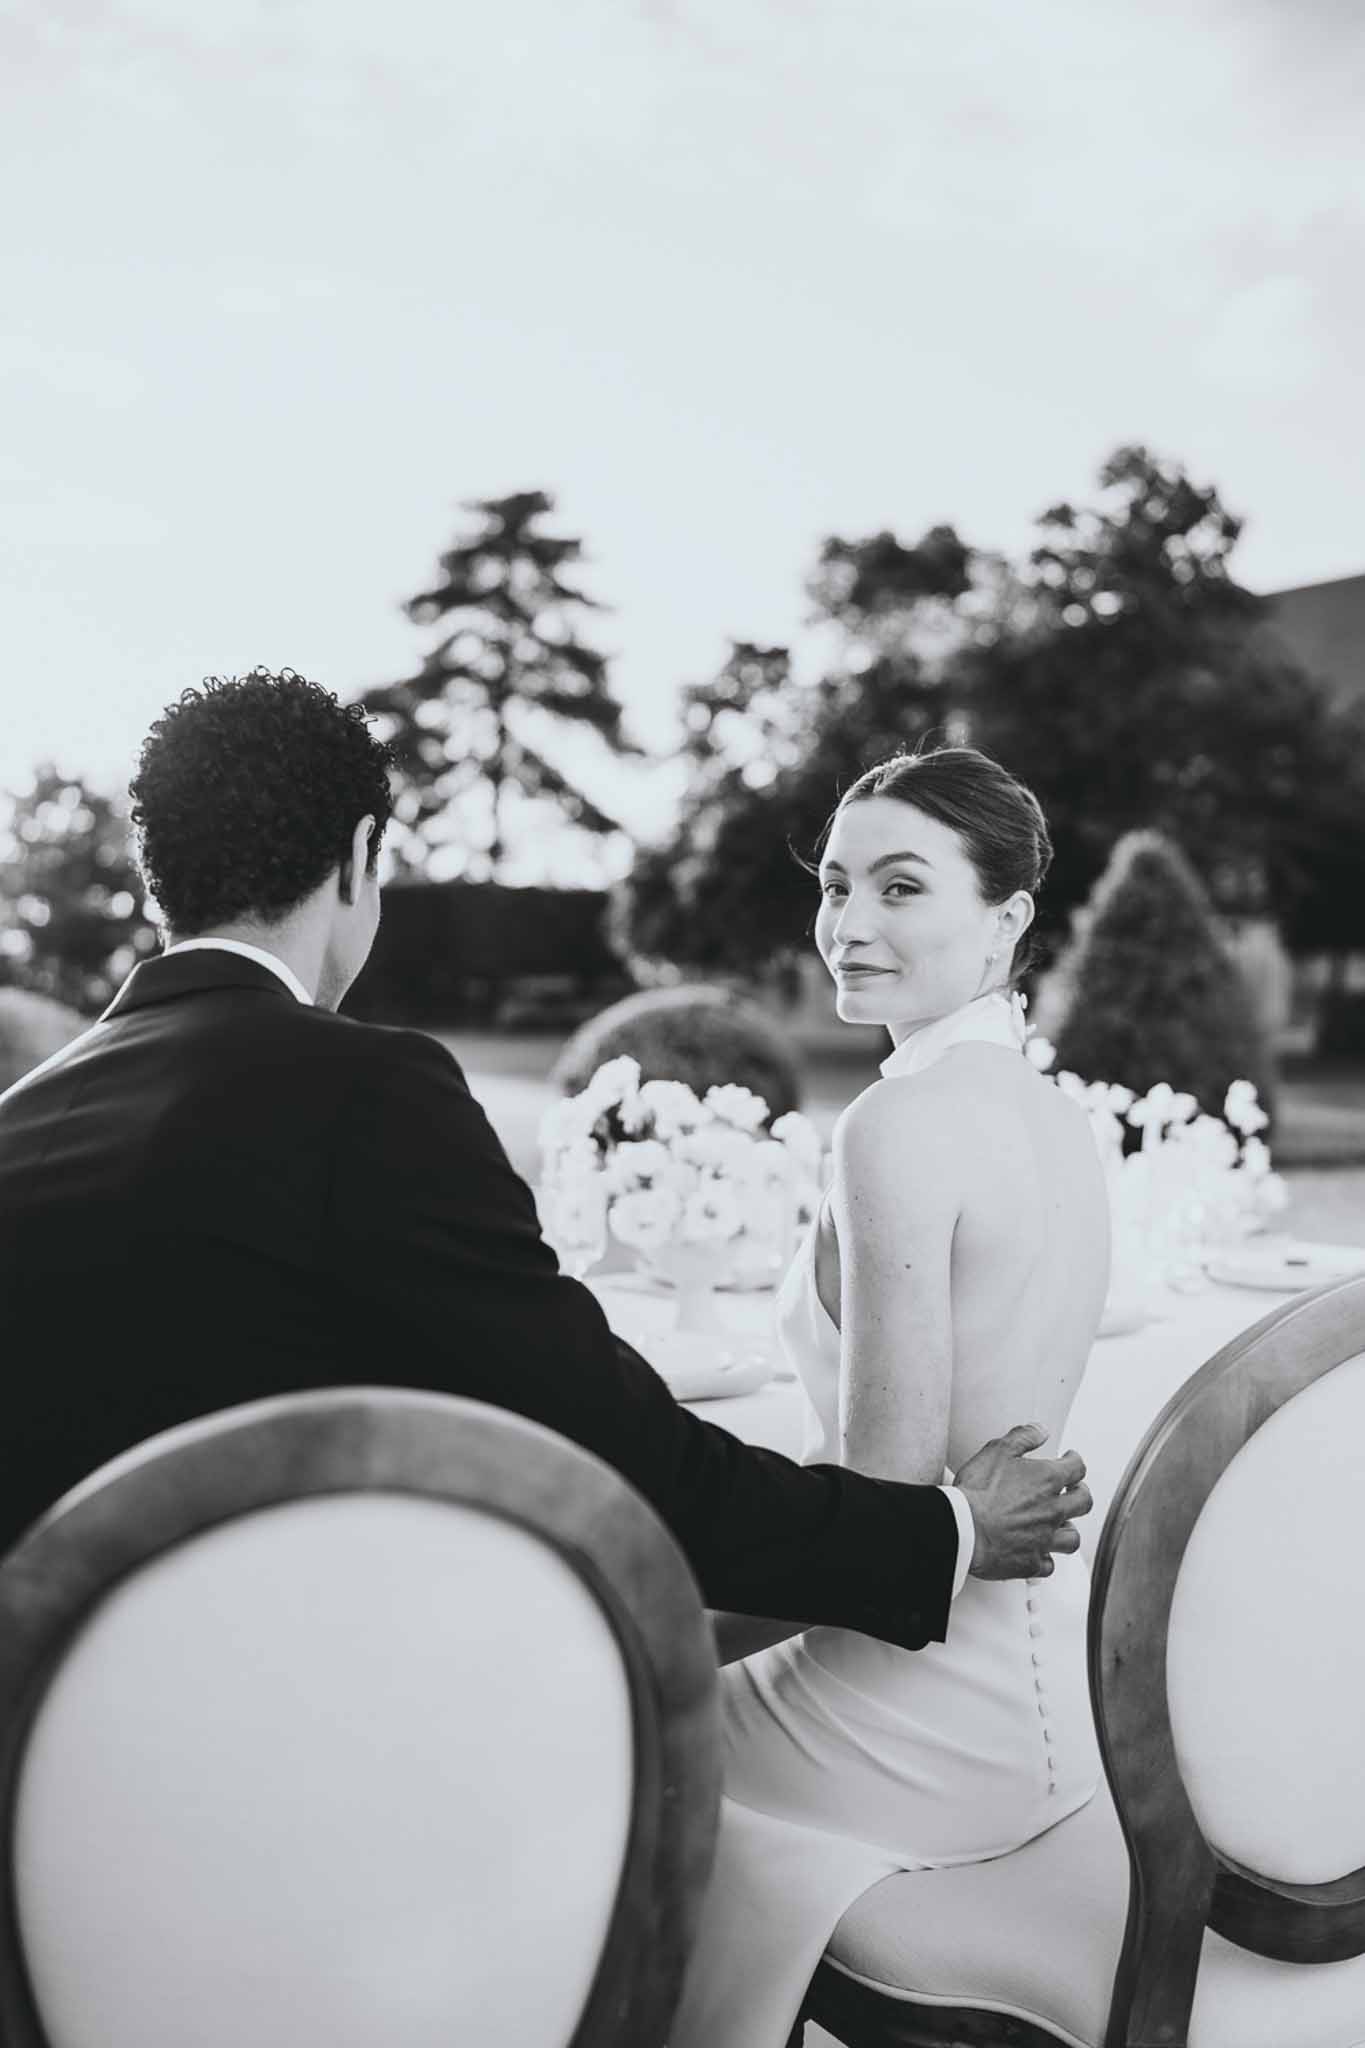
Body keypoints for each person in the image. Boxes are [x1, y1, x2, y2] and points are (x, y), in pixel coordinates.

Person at [0, 673, 1090, 1649]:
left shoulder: (21, 1117)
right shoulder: (365, 1091)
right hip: (290, 1731)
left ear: (159, 884)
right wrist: (941, 1530)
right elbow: (615, 1459)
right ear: (362, 857)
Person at [672, 746, 1111, 2048]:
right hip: (1036, 1701)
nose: (849, 926)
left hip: (908, 1714)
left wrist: (656, 1632)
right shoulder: (1047, 1112)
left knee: (585, 1745)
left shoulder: (896, 1128)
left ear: (1008, 919)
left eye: (901, 888)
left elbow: (875, 1528)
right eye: (835, 886)